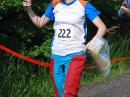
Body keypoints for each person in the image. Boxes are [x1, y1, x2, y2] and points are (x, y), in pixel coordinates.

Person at [23, 0, 107, 97]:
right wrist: (28, 9)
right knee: (60, 94)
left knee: (69, 93)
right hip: (56, 55)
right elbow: (40, 23)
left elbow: (102, 27)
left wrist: (93, 42)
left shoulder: (83, 4)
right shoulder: (54, 4)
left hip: (76, 55)